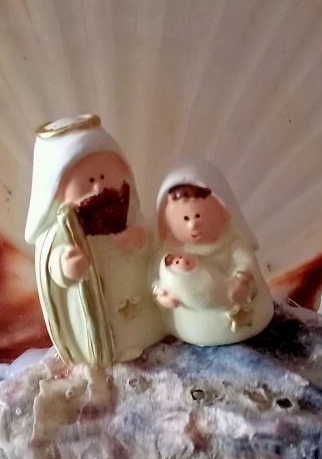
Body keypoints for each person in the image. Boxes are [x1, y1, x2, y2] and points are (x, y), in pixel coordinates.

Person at [26, 115, 162, 365]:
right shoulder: (63, 231)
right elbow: (52, 265)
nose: (99, 188)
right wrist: (66, 267)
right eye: (88, 182)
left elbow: (152, 243)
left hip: (142, 312)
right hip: (100, 325)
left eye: (104, 176)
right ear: (57, 190)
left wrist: (140, 240)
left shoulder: (128, 212)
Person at [152, 162, 273, 346]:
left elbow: (245, 261)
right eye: (185, 219)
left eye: (198, 216)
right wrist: (160, 294)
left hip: (244, 316)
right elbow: (154, 278)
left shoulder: (231, 243)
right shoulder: (169, 252)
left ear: (223, 211)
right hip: (192, 326)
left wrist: (242, 280)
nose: (193, 225)